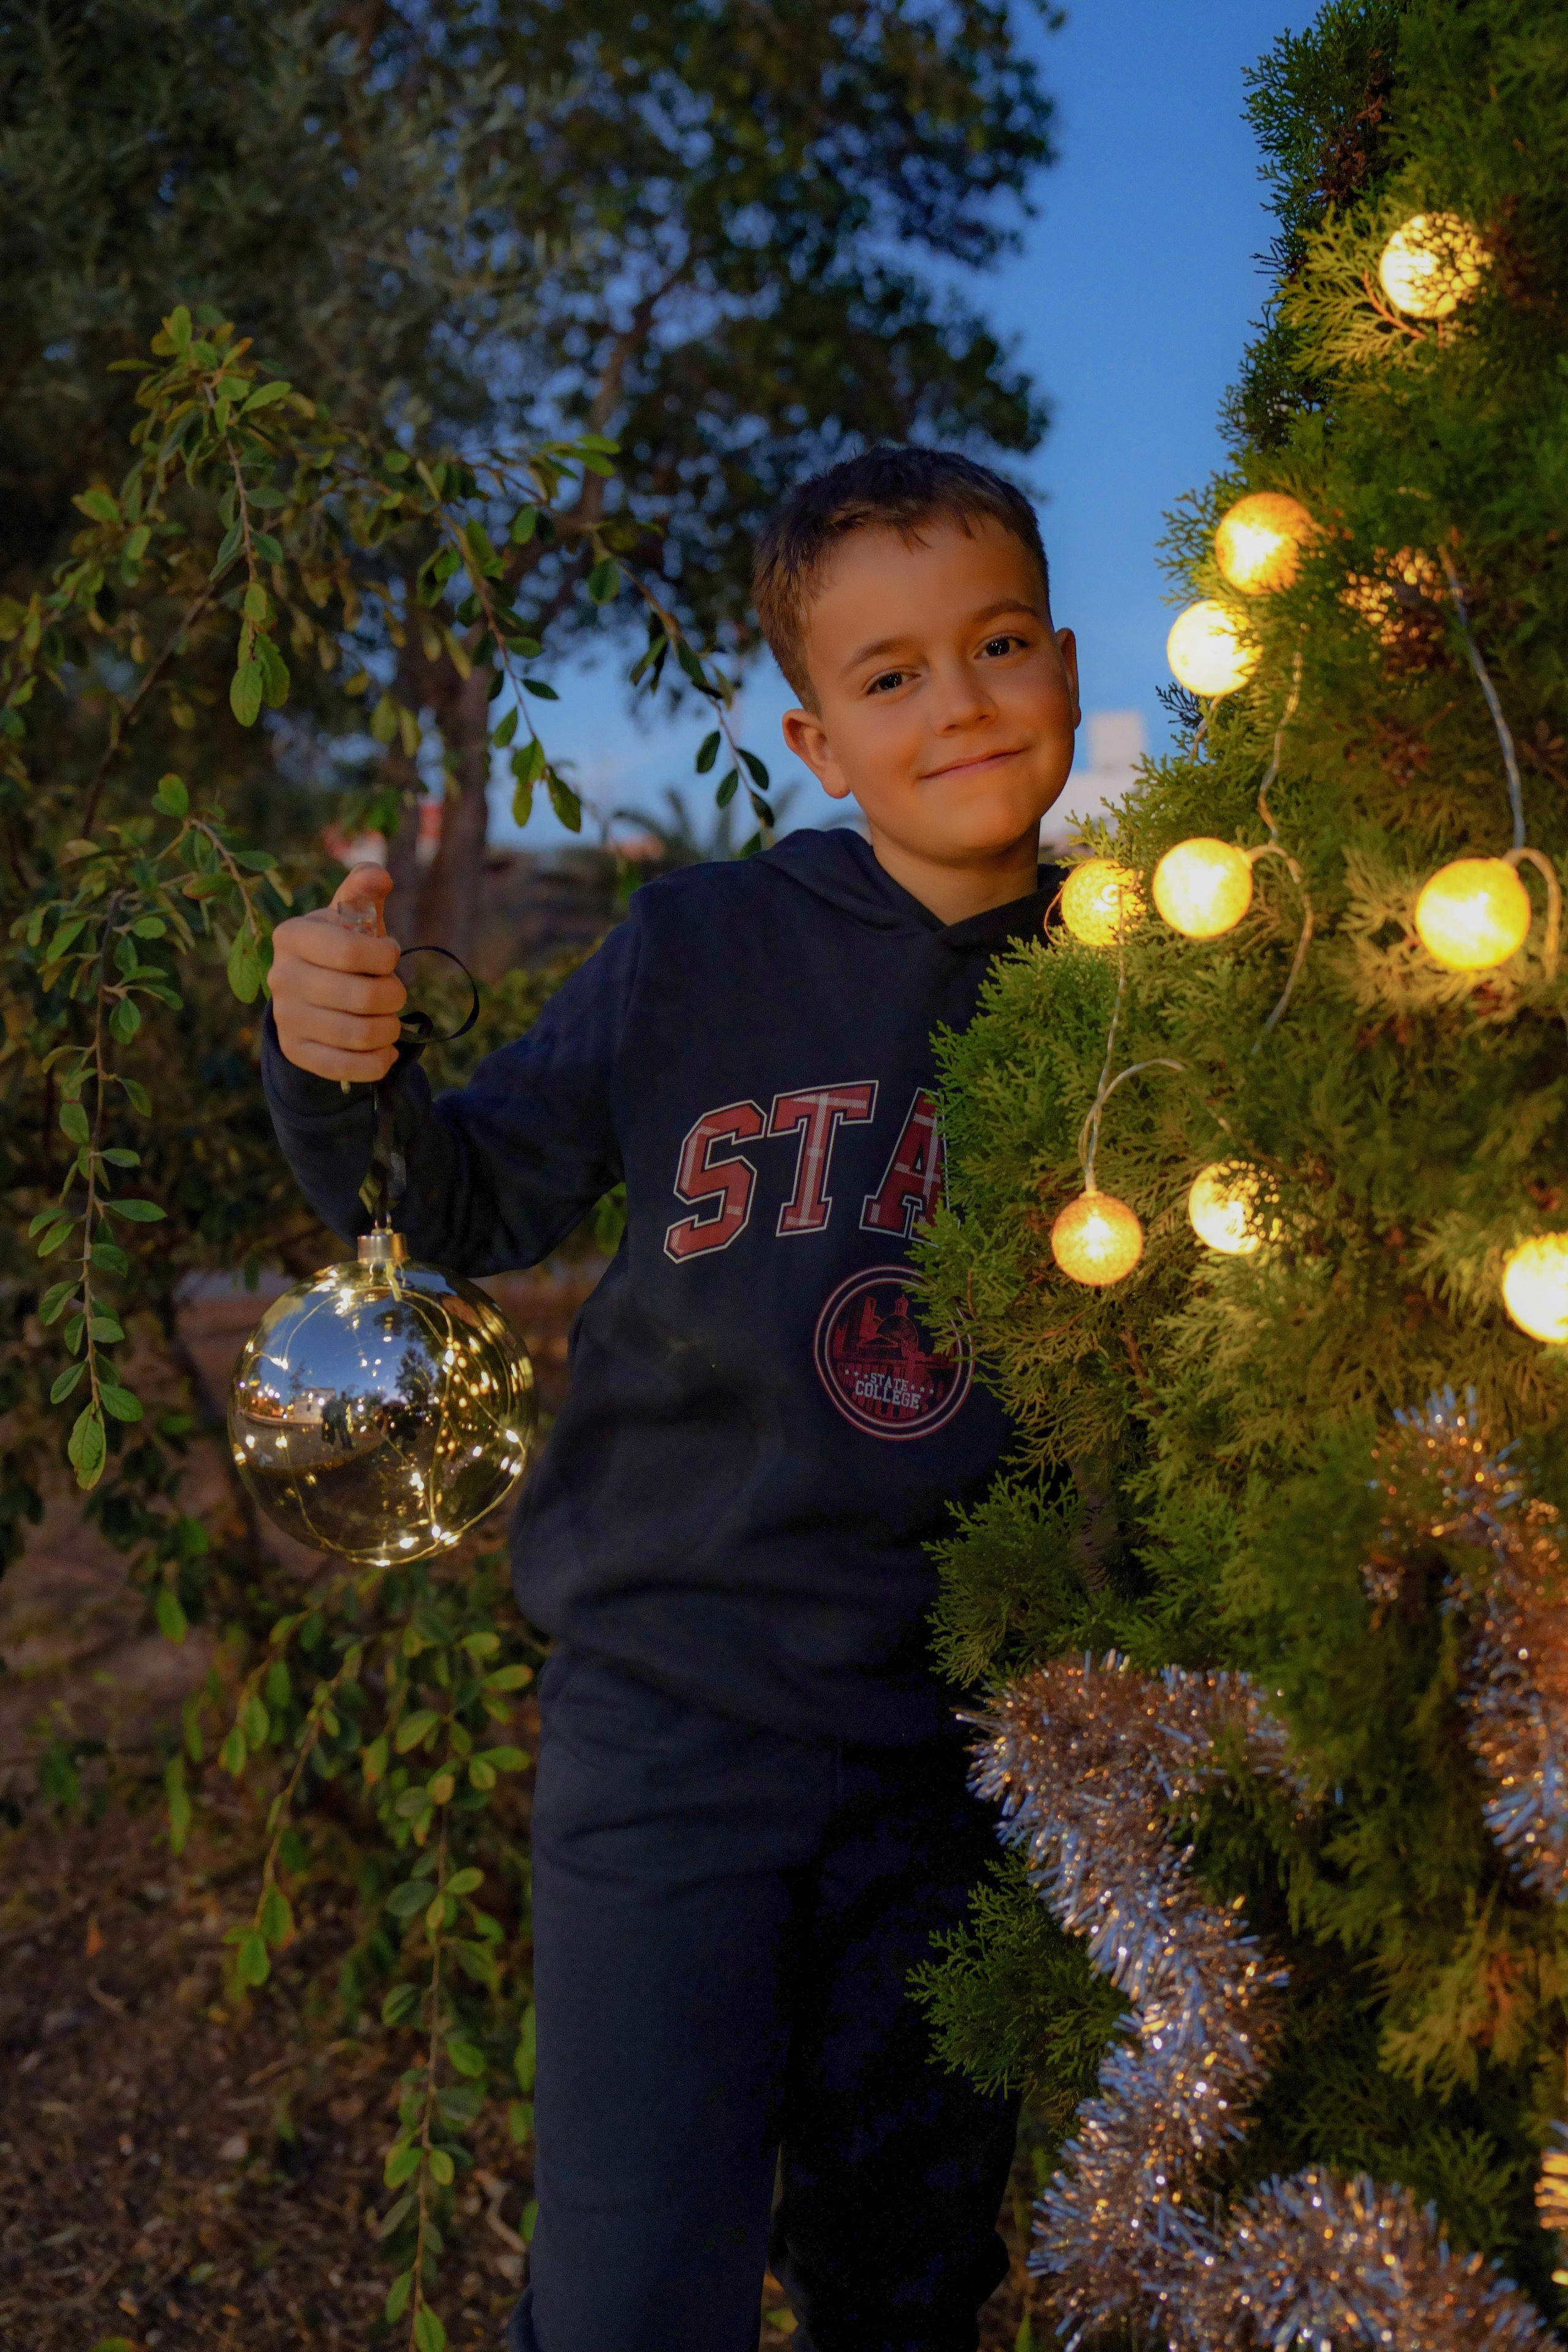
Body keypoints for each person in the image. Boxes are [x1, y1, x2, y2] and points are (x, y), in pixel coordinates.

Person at [263, 444, 1080, 2352]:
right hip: (673, 1726)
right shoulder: (699, 952)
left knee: (906, 2280)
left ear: (1062, 659)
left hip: (964, 1755)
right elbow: (456, 1204)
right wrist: (333, 1061)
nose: (956, 701)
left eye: (1001, 643)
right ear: (814, 740)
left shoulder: (1141, 990)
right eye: (890, 676)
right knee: (638, 2292)